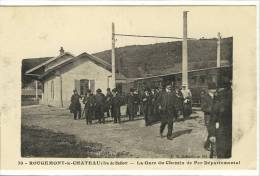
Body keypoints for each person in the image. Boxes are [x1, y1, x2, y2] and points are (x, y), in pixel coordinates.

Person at [208, 79, 232, 158]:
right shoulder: (223, 95)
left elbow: (213, 116)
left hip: (222, 131)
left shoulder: (219, 96)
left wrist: (212, 134)